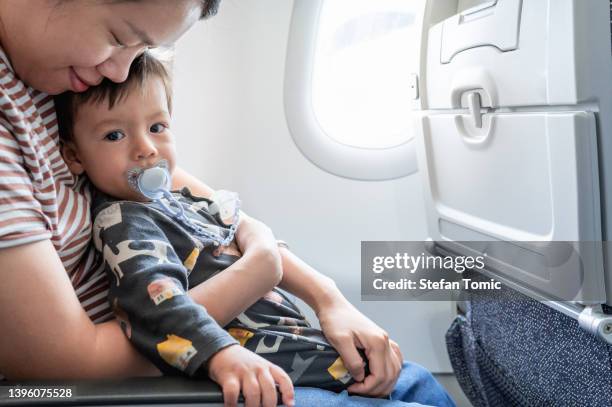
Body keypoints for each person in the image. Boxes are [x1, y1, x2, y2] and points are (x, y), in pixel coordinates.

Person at [0, 1, 454, 407]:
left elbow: (221, 213)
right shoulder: (123, 216)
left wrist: (327, 297)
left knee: (416, 384)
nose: (120, 71)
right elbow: (74, 361)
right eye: (119, 37)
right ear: (74, 153)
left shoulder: (69, 72)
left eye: (139, 52)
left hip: (264, 343)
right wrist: (257, 272)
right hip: (177, 372)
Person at [54, 50, 369, 393]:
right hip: (274, 378)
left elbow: (235, 222)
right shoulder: (124, 220)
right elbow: (156, 302)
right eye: (115, 135)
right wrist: (220, 352)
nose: (146, 149)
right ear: (74, 155)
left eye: (157, 127)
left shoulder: (176, 199)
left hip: (314, 355)